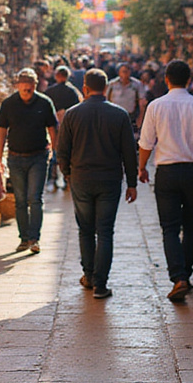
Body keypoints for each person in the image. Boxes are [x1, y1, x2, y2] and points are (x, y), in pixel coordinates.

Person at [138, 59, 193, 302]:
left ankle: (178, 277)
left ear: (166, 79)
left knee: (170, 228)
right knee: (191, 226)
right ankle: (187, 274)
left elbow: (145, 143)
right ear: (189, 80)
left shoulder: (156, 106)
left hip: (168, 173)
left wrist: (142, 167)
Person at [56, 68, 138, 299]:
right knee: (105, 231)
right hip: (109, 180)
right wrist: (132, 182)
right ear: (106, 88)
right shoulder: (120, 114)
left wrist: (68, 174)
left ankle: (89, 275)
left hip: (81, 178)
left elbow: (62, 151)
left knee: (85, 229)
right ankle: (100, 284)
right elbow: (129, 152)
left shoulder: (72, 114)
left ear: (85, 87)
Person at [0, 68, 58, 254]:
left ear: (34, 85)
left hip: (38, 157)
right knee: (20, 200)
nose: (26, 88)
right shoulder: (8, 104)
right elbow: (1, 131)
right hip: (15, 157)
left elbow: (53, 129)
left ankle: (34, 239)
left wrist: (55, 153)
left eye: (30, 85)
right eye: (23, 85)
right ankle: (24, 239)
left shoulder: (45, 103)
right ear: (18, 85)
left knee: (35, 198)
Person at [45, 64, 83, 190]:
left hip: (53, 126)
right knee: (69, 151)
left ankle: (54, 178)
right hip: (69, 126)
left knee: (55, 150)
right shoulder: (73, 91)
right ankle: (68, 178)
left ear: (56, 76)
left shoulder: (50, 91)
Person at [106, 62, 146, 130]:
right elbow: (106, 99)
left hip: (130, 117)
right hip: (113, 117)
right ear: (119, 73)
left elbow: (142, 103)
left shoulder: (137, 84)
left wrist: (140, 119)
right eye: (123, 71)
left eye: (127, 71)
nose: (125, 74)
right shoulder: (112, 84)